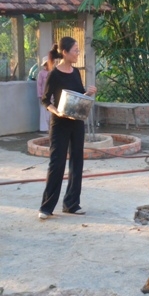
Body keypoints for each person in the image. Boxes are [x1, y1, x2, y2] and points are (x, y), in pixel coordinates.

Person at [38, 37, 97, 220]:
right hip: (60, 124)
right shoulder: (54, 74)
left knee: (77, 162)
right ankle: (46, 207)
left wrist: (88, 93)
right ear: (64, 52)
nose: (77, 53)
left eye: (78, 50)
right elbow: (46, 100)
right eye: (75, 50)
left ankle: (71, 204)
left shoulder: (76, 72)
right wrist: (56, 112)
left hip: (76, 122)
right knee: (57, 164)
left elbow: (78, 96)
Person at [36, 56, 50, 132]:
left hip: (52, 96)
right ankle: (45, 128)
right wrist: (40, 96)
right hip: (44, 96)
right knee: (44, 113)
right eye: (46, 64)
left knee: (51, 112)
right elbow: (39, 85)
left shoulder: (53, 72)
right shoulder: (41, 74)